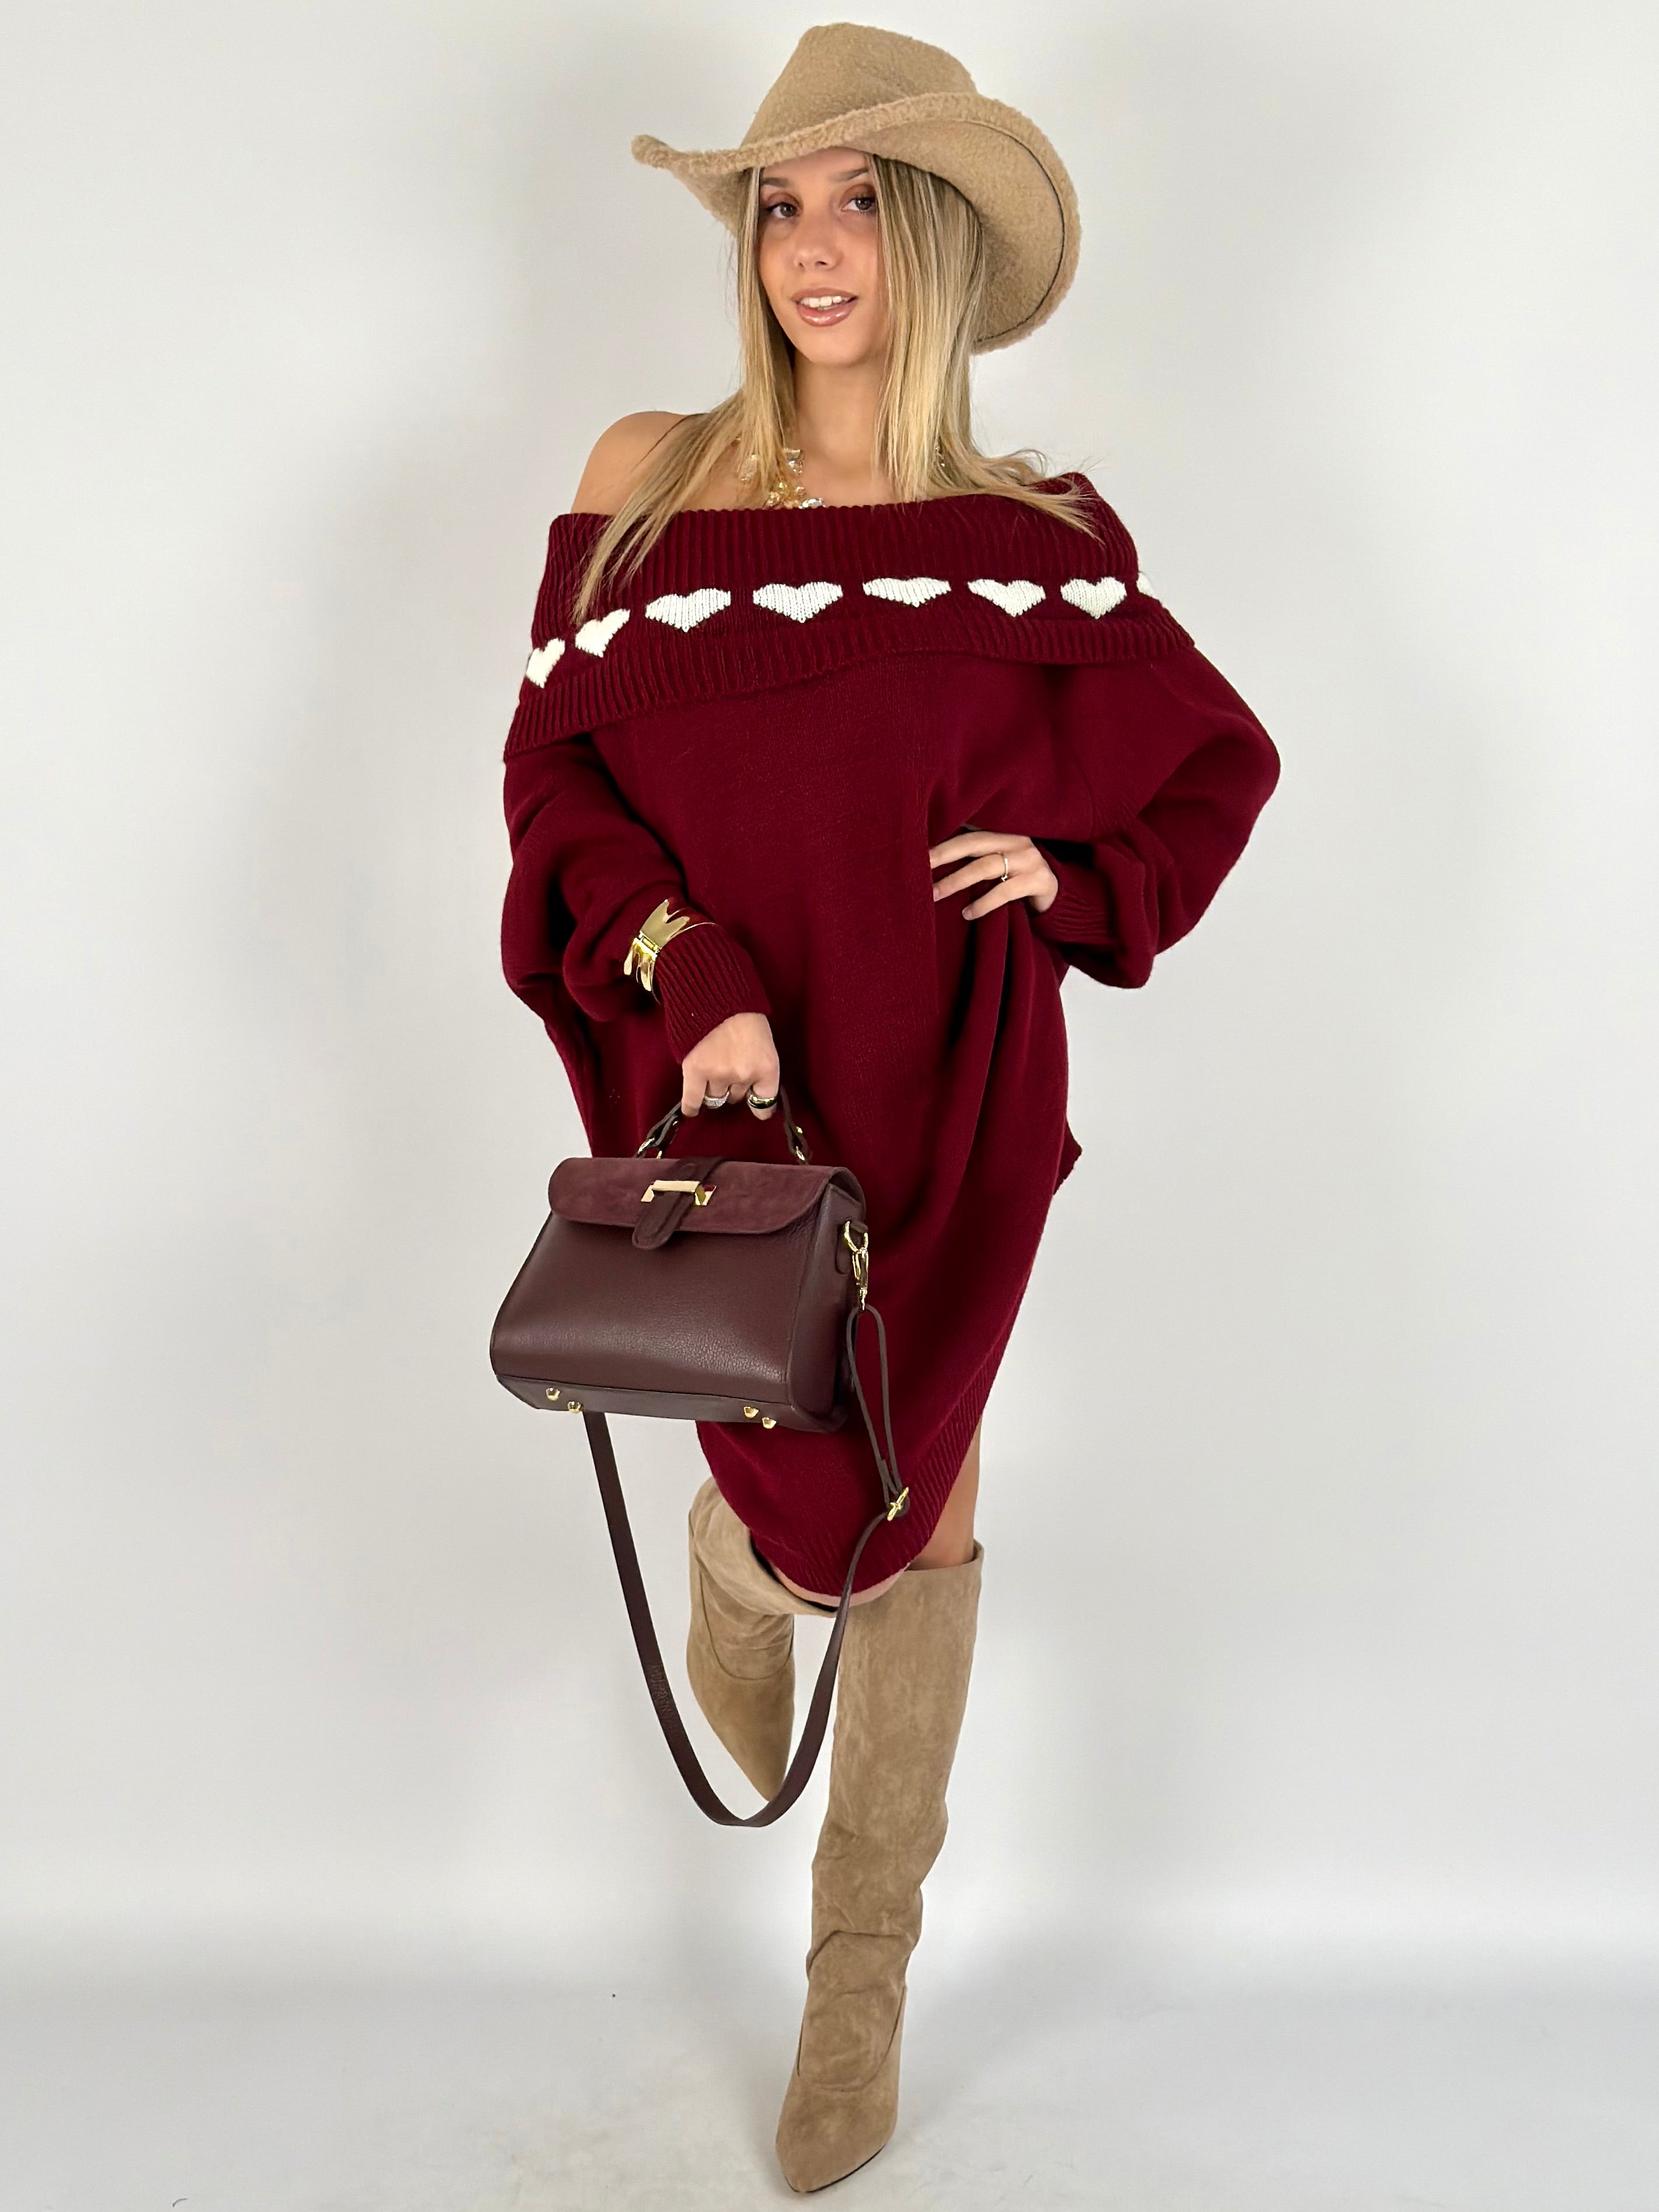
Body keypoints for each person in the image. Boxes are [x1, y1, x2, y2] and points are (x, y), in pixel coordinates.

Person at [498, 24, 1280, 2193]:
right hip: (737, 1069)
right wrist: (689, 966)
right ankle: (747, 1569)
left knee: (920, 1507)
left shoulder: (1036, 536)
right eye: (779, 206)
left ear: (930, 239)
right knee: (801, 1487)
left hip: (959, 1082)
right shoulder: (651, 475)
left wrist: (1083, 882)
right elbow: (554, 783)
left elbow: (1218, 760)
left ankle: (858, 1987)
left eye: (857, 202)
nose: (812, 246)